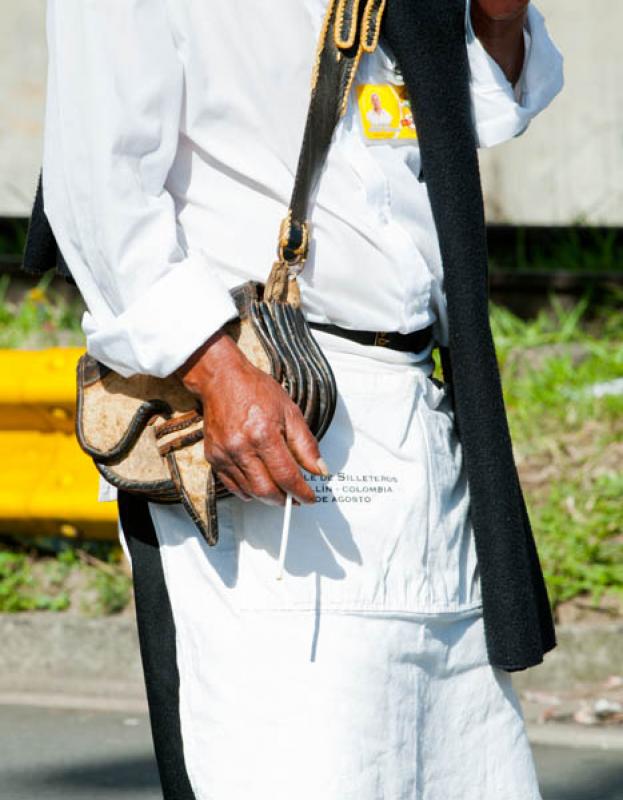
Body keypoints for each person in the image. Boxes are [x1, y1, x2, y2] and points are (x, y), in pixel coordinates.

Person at [40, 0, 563, 797]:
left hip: (425, 410)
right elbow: (97, 188)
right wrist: (213, 369)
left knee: (467, 767)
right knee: (295, 764)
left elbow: (482, 106)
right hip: (265, 406)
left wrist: (496, 17)